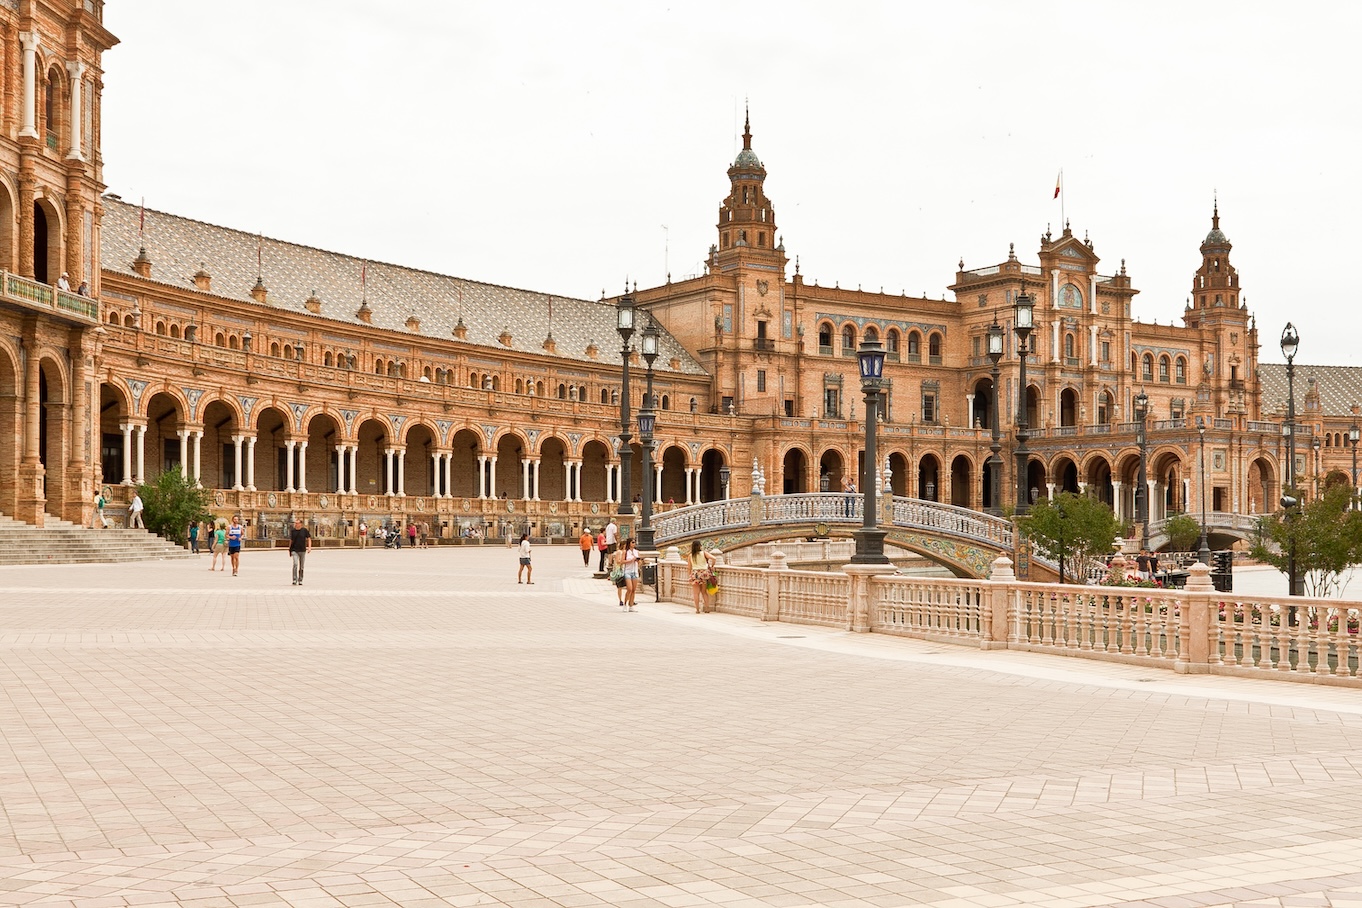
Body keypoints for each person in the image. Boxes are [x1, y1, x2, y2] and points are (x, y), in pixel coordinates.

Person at [688, 540, 718, 613]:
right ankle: (707, 608)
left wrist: (690, 575)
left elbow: (689, 567)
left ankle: (697, 610)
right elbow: (714, 558)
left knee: (696, 593)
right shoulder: (704, 553)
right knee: (704, 592)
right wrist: (712, 565)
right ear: (700, 546)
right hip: (704, 573)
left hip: (695, 573)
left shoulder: (690, 555)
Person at [289, 516, 312, 585]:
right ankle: (294, 579)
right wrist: (289, 549)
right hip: (294, 550)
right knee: (295, 564)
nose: (295, 524)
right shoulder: (293, 531)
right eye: (295, 523)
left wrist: (309, 547)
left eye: (297, 523)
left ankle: (300, 579)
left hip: (302, 550)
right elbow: (291, 540)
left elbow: (309, 539)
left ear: (300, 524)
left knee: (301, 566)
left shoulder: (304, 531)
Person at [620, 538, 640, 611]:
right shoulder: (625, 552)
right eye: (632, 542)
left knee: (634, 590)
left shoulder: (636, 552)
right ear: (629, 543)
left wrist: (638, 561)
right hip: (628, 571)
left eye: (635, 542)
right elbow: (622, 561)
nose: (634, 544)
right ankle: (625, 604)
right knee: (629, 589)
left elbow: (640, 562)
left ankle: (631, 606)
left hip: (635, 571)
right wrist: (630, 560)